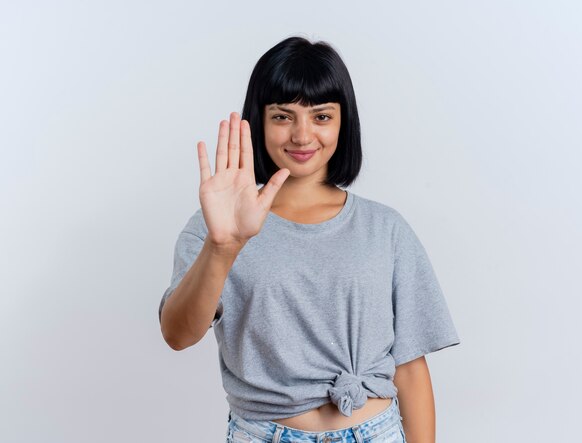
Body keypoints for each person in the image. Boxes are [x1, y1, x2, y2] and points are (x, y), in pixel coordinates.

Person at [158, 36, 460, 443]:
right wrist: (223, 247)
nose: (302, 135)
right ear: (258, 120)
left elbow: (409, 366)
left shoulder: (385, 229)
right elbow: (178, 335)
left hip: (376, 432)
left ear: (343, 122)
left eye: (321, 116)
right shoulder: (218, 225)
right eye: (283, 116)